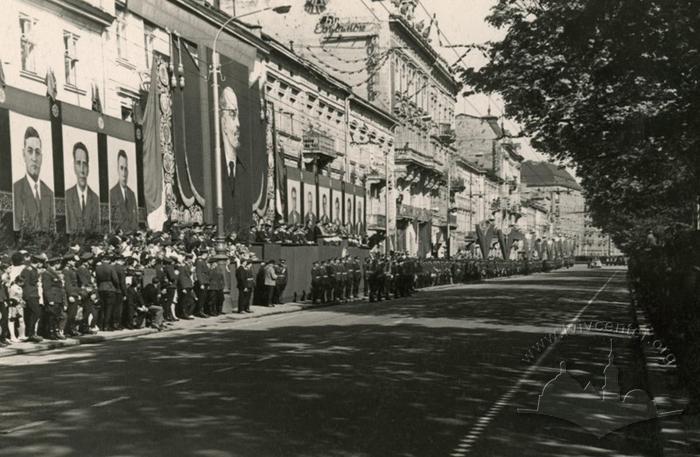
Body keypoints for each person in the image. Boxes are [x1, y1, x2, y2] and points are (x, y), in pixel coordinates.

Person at [13, 126, 55, 231]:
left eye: (37, 152)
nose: (34, 158)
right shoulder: (15, 190)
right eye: (30, 151)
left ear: (42, 157)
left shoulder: (49, 193)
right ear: (23, 154)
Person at [65, 141, 100, 233]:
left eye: (84, 164)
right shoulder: (67, 197)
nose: (82, 170)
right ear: (74, 166)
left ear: (88, 168)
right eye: (78, 163)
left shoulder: (95, 199)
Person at [109, 149, 138, 232]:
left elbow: (135, 221)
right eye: (121, 168)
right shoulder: (112, 194)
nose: (124, 172)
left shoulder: (132, 194)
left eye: (126, 168)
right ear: (117, 169)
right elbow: (111, 222)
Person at [42, 256, 67, 339]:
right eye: (58, 263)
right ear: (55, 264)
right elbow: (46, 288)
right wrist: (50, 299)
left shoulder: (54, 272)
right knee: (51, 317)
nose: (59, 265)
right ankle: (50, 332)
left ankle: (55, 332)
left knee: (56, 316)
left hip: (58, 297)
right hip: (53, 298)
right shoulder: (47, 273)